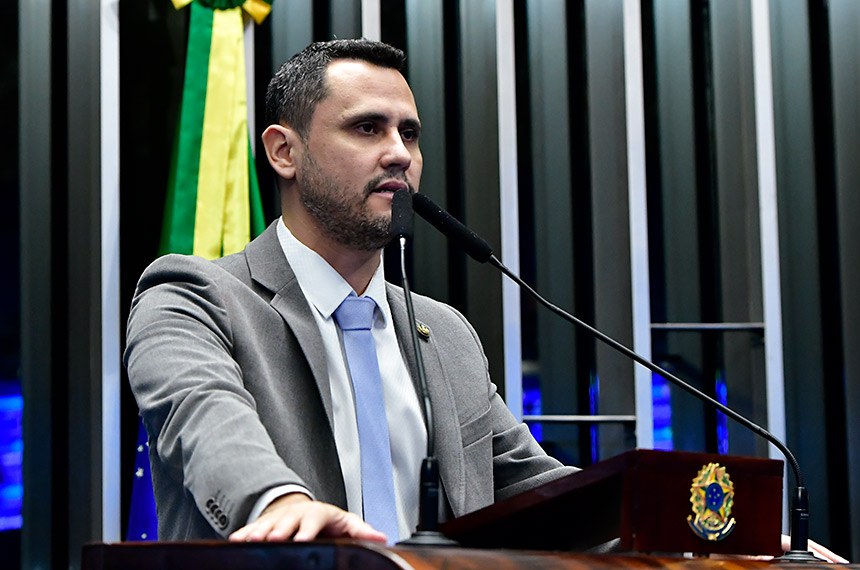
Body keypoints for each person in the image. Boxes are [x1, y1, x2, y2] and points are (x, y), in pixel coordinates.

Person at [124, 38, 576, 545]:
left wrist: (673, 513)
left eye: (409, 133)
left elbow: (540, 493)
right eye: (367, 128)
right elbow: (204, 420)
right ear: (284, 152)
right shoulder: (192, 297)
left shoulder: (446, 334)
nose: (400, 154)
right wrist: (277, 502)